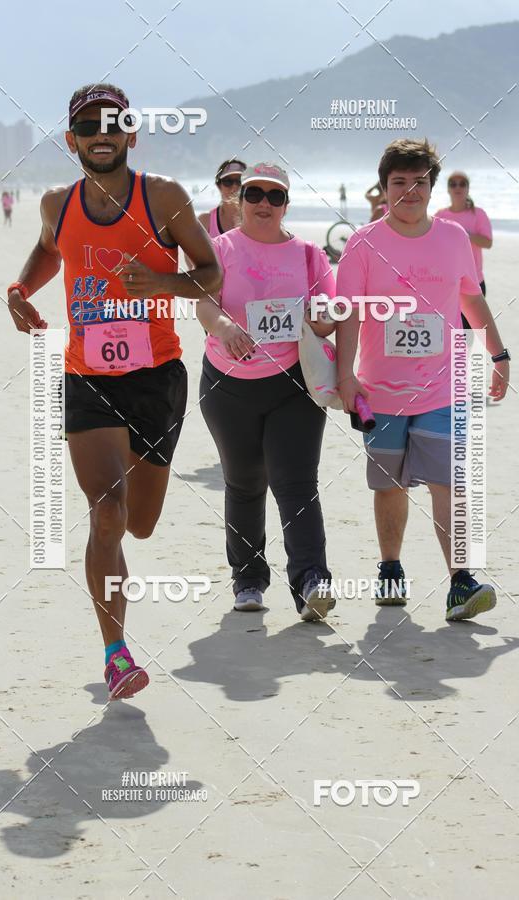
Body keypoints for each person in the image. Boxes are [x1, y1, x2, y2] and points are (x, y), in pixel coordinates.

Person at [6, 83, 221, 699]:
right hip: (86, 376)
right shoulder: (57, 203)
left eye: (113, 122)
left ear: (131, 134)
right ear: (71, 139)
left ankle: (129, 534)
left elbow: (211, 274)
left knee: (142, 523)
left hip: (156, 378)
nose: (101, 133)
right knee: (107, 516)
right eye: (86, 125)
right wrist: (22, 290)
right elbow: (51, 250)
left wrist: (158, 281)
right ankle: (116, 654)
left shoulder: (164, 198)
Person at [336, 138, 510, 622]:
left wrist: (499, 353)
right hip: (381, 390)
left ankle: (461, 581)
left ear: (431, 187)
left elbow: (470, 299)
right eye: (398, 183)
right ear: (384, 187)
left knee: (447, 482)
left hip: (442, 386)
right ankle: (390, 569)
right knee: (389, 484)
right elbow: (347, 313)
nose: (409, 192)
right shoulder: (363, 242)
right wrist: (345, 375)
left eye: (418, 183)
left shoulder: (454, 238)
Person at [196, 162, 337, 621]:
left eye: (275, 197)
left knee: (296, 483)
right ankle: (249, 581)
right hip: (227, 384)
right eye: (254, 194)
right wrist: (224, 325)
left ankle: (312, 580)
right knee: (244, 483)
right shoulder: (219, 248)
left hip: (292, 383)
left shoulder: (309, 254)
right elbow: (203, 303)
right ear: (239, 200)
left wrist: (318, 319)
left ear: (285, 206)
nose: (263, 203)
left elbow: (327, 312)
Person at [434, 171, 492, 328]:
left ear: (468, 188)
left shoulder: (478, 214)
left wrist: (462, 234)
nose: (457, 187)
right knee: (450, 333)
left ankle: (468, 354)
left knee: (471, 336)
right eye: (453, 184)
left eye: (462, 184)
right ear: (448, 189)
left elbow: (487, 242)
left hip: (474, 282)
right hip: (447, 284)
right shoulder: (440, 215)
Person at [198, 159, 246, 238]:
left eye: (239, 181)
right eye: (228, 181)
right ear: (219, 186)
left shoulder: (257, 220)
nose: (234, 186)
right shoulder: (205, 222)